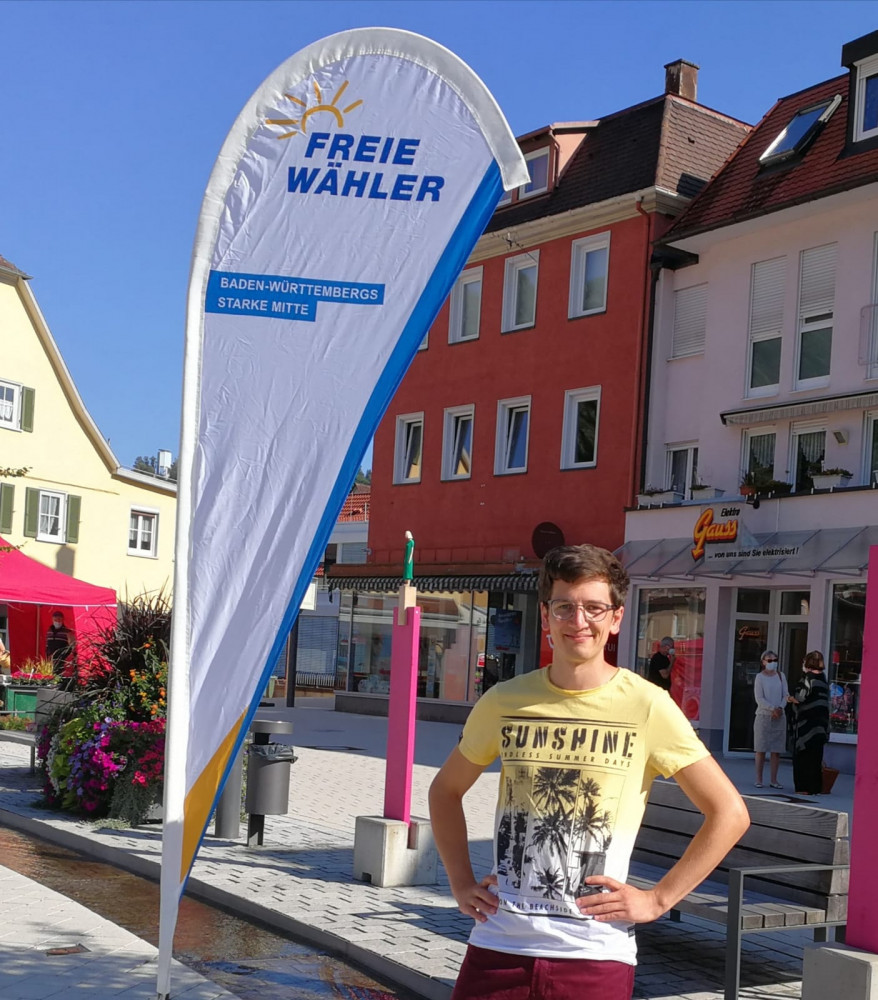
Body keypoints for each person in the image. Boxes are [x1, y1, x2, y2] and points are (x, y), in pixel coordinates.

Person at [429, 544, 750, 1000]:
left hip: (596, 955)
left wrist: (658, 899)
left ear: (616, 618)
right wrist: (461, 882)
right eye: (564, 607)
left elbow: (729, 813)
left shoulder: (648, 706)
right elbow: (445, 791)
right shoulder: (504, 701)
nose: (578, 620)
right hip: (499, 946)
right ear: (546, 616)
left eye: (594, 608)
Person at [788, 650, 830, 796]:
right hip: (820, 725)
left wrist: (789, 699)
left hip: (806, 725)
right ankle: (815, 787)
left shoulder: (808, 678)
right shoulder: (823, 679)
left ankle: (803, 788)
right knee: (816, 758)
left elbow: (800, 697)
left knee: (803, 757)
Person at [752, 650, 788, 789]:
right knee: (760, 749)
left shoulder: (781, 676)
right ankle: (758, 779)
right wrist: (772, 708)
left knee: (776, 750)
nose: (773, 663)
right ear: (763, 662)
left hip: (779, 716)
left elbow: (785, 695)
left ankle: (774, 780)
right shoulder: (759, 677)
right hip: (763, 716)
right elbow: (759, 698)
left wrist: (780, 708)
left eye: (775, 660)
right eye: (769, 660)